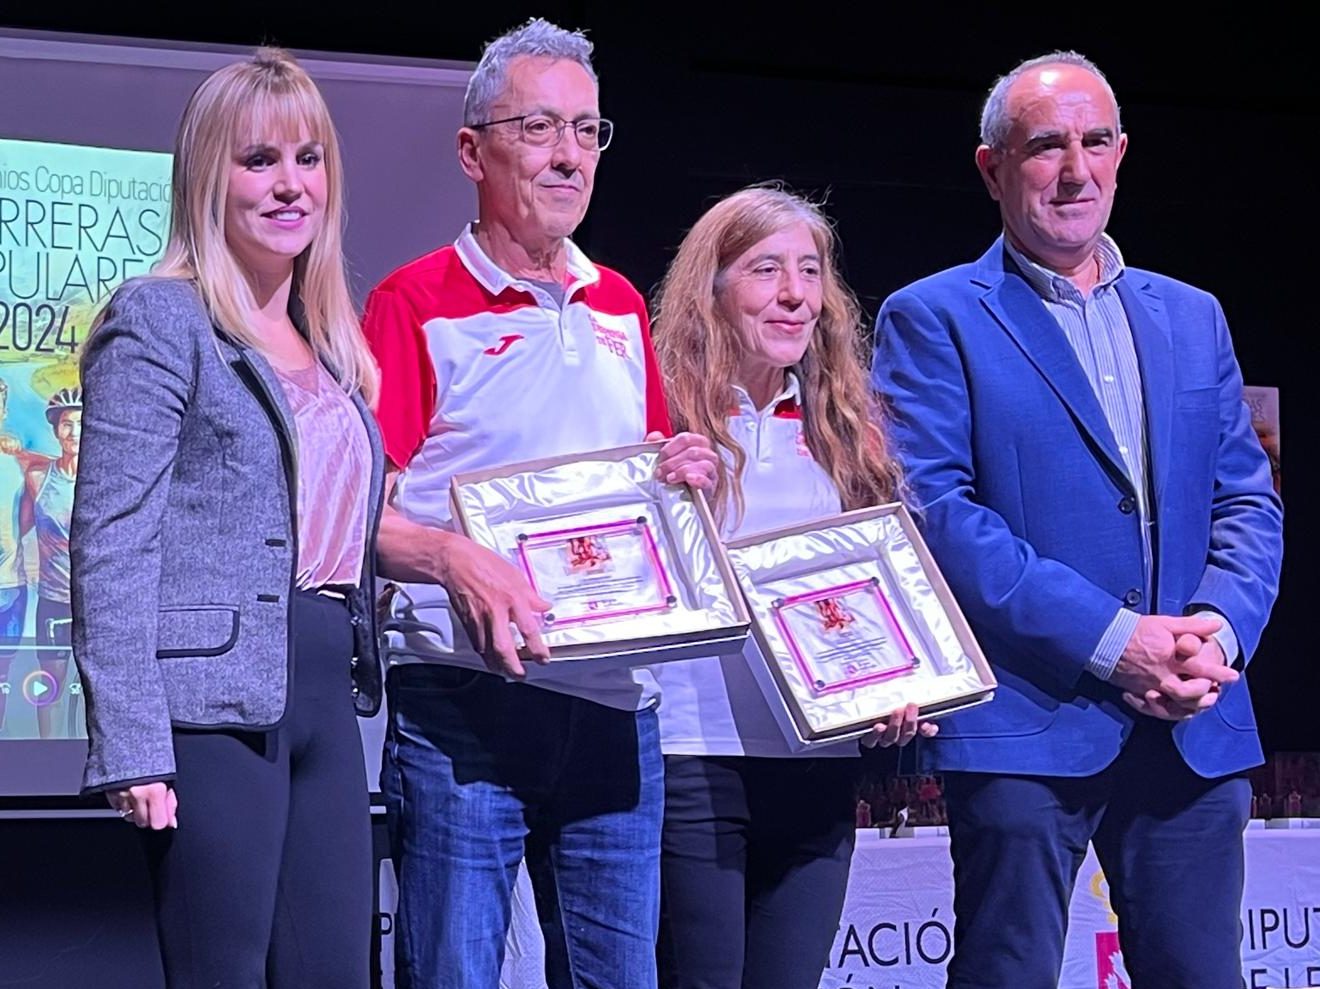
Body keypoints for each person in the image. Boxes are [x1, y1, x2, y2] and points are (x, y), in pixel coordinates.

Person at [872, 51, 1283, 989]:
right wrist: (1115, 640)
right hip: (1028, 720)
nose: (1075, 170)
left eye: (1096, 143)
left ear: (1122, 152)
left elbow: (1248, 500)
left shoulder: (1192, 315)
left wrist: (1212, 636)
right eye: (1046, 145)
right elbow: (939, 515)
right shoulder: (932, 316)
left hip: (1193, 721)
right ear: (992, 168)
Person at [361, 18, 716, 989]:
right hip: (465, 703)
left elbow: (635, 480)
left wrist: (677, 472)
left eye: (587, 131)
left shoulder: (619, 308)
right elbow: (351, 520)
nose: (569, 155)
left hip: (613, 706)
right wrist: (450, 557)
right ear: (474, 150)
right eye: (540, 128)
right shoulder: (413, 302)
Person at [70, 48, 384, 988]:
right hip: (209, 706)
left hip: (326, 692)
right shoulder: (160, 320)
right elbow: (111, 541)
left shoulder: (331, 342)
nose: (292, 185)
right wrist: (131, 741)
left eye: (309, 158)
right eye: (259, 161)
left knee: (333, 971)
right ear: (211, 176)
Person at [650, 186, 935, 989]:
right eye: (765, 268)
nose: (794, 293)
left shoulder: (847, 428)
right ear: (711, 287)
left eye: (810, 270)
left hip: (819, 764)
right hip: (693, 756)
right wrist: (658, 484)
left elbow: (885, 597)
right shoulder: (657, 412)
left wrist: (898, 686)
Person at [19, 388, 81, 737]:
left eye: (79, 423)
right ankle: (46, 758)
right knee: (48, 688)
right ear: (56, 430)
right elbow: (21, 529)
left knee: (97, 689)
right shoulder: (39, 478)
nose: (73, 432)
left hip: (96, 602)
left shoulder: (102, 478)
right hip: (53, 599)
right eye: (66, 425)